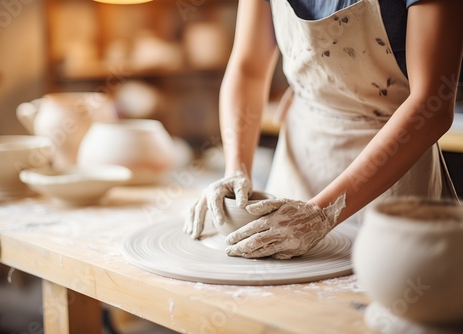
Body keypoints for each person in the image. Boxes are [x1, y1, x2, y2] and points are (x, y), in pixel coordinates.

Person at [183, 0, 463, 259]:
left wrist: (323, 212)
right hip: (302, 156)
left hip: (393, 170)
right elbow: (249, 68)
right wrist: (236, 168)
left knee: (377, 297)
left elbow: (432, 105)